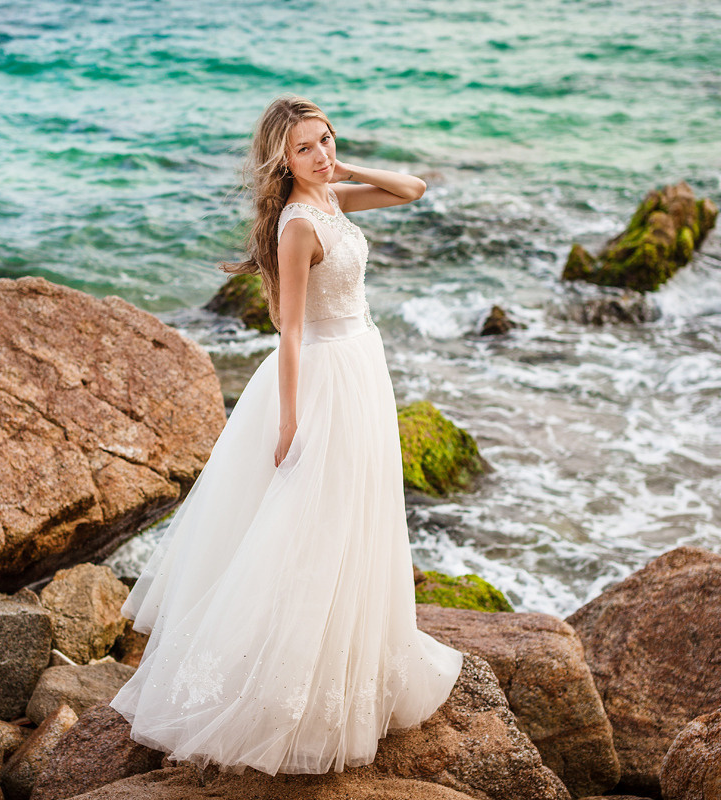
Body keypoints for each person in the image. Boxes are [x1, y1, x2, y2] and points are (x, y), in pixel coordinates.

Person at [109, 95, 464, 776]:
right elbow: (291, 329)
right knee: (311, 523)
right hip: (327, 374)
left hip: (365, 364)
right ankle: (285, 690)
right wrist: (290, 418)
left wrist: (339, 167)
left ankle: (349, 661)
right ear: (282, 160)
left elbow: (413, 189)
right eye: (306, 149)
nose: (322, 155)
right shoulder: (299, 224)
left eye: (326, 140)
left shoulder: (332, 198)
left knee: (361, 514)